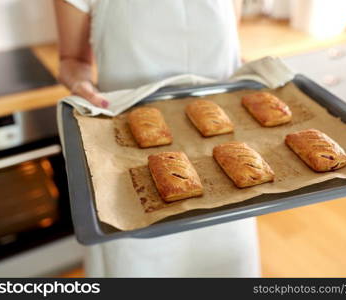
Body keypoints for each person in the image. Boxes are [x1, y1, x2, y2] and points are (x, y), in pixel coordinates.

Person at [54, 0, 261, 277]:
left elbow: (228, 50)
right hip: (128, 160)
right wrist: (81, 85)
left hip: (226, 157)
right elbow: (72, 60)